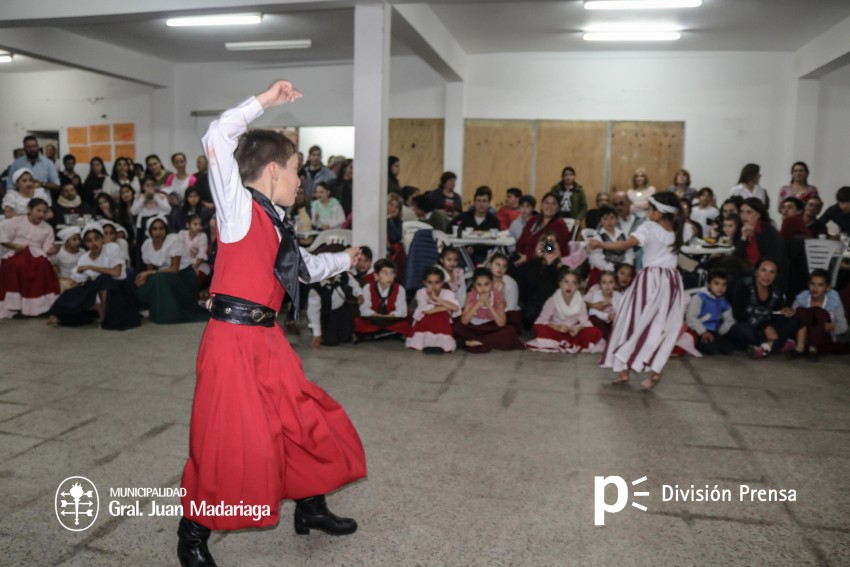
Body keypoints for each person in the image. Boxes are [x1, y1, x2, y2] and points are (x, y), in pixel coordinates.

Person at [177, 82, 367, 567]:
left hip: (267, 339)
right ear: (275, 169)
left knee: (303, 419)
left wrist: (345, 258)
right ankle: (193, 533)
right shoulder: (238, 209)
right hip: (231, 341)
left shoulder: (277, 221)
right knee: (227, 438)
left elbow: (300, 267)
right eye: (298, 171)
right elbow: (218, 136)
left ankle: (310, 505)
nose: (301, 180)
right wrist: (265, 101)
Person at [588, 191, 687, 389]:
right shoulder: (676, 229)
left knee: (630, 321)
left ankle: (624, 368)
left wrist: (601, 243)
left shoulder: (649, 227)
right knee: (662, 326)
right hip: (672, 282)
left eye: (651, 209)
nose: (648, 212)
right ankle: (654, 369)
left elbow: (627, 244)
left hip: (650, 281)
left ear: (660, 213)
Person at [47, 223, 139, 330]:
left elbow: (116, 272)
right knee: (75, 291)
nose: (94, 243)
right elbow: (80, 280)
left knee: (103, 279)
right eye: (89, 240)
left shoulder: (112, 249)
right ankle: (61, 313)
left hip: (118, 290)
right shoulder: (84, 258)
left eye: (96, 238)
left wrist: (90, 267)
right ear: (85, 243)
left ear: (102, 239)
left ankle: (105, 317)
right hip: (97, 291)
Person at [134, 215, 208, 324]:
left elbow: (174, 269)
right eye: (154, 229)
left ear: (166, 229)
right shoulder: (147, 245)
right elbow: (148, 270)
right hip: (165, 277)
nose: (158, 232)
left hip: (185, 278)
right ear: (149, 231)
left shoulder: (173, 240)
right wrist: (145, 278)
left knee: (158, 278)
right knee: (148, 282)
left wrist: (149, 273)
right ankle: (155, 311)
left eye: (161, 228)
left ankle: (166, 315)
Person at [727, 257, 798, 359]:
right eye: (763, 270)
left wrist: (785, 311)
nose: (767, 276)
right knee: (745, 331)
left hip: (765, 330)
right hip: (747, 326)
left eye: (772, 272)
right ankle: (776, 343)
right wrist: (764, 327)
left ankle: (766, 346)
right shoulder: (744, 285)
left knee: (794, 318)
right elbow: (739, 315)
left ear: (776, 275)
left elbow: (775, 314)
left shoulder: (776, 291)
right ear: (756, 272)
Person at [0, 198, 60, 318]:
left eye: (44, 211)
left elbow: (47, 247)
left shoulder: (47, 228)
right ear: (30, 210)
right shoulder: (16, 221)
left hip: (36, 252)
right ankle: (14, 306)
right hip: (16, 250)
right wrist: (14, 245)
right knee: (16, 264)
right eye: (38, 210)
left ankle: (37, 307)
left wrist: (52, 251)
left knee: (42, 264)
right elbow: (4, 239)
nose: (41, 214)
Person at [527, 268, 604, 353]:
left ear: (578, 286)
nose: (569, 286)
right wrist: (557, 327)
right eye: (566, 282)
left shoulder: (581, 302)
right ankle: (570, 344)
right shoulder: (552, 300)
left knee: (596, 331)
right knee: (539, 328)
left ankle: (565, 343)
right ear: (560, 284)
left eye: (573, 283)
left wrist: (577, 329)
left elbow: (585, 322)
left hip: (573, 333)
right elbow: (541, 321)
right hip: (556, 332)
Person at [452, 267, 523, 353]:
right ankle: (486, 341)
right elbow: (464, 321)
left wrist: (489, 306)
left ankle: (473, 342)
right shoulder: (471, 296)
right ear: (474, 285)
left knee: (509, 331)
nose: (483, 288)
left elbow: (501, 323)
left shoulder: (498, 296)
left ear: (492, 283)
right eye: (479, 285)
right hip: (474, 327)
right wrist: (477, 305)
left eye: (486, 284)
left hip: (491, 327)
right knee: (455, 327)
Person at [307, 247, 361, 348]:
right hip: (326, 314)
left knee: (346, 337)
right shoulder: (316, 288)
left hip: (342, 309)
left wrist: (359, 294)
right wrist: (317, 334)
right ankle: (323, 333)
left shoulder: (343, 275)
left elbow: (353, 283)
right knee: (331, 341)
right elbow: (313, 312)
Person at [790, 269, 850, 359]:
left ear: (828, 287)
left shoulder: (833, 301)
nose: (815, 288)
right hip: (803, 336)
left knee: (819, 311)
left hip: (823, 337)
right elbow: (792, 321)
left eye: (820, 285)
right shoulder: (802, 299)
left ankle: (813, 349)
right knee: (801, 310)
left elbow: (844, 326)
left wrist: (832, 327)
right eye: (812, 284)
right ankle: (800, 347)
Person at [735, 197, 787, 290]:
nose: (744, 216)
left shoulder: (768, 231)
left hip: (766, 274)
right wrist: (743, 238)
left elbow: (775, 259)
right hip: (748, 273)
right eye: (742, 212)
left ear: (758, 214)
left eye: (749, 212)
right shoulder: (741, 230)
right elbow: (737, 259)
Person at [406, 266, 461, 354]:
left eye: (437, 282)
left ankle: (441, 344)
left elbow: (455, 307)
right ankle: (426, 342)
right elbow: (426, 310)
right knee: (434, 314)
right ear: (424, 282)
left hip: (442, 324)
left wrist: (437, 298)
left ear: (442, 283)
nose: (433, 286)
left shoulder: (447, 293)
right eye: (430, 282)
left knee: (442, 315)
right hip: (425, 323)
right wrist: (445, 307)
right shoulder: (421, 292)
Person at [354, 258, 411, 339]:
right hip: (373, 320)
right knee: (358, 322)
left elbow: (402, 310)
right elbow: (364, 308)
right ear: (376, 276)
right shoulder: (368, 288)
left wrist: (391, 316)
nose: (389, 277)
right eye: (385, 273)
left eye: (392, 273)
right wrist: (375, 315)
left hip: (392, 320)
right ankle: (390, 334)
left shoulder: (399, 289)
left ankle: (374, 335)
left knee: (405, 325)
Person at [516, 233, 563, 330]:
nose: (549, 246)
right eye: (545, 242)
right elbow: (532, 290)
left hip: (554, 309)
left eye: (553, 242)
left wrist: (552, 264)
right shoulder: (529, 266)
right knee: (531, 311)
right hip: (533, 308)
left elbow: (551, 292)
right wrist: (536, 259)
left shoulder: (563, 269)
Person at [685, 269, 735, 355]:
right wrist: (702, 331)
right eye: (716, 283)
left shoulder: (724, 302)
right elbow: (690, 318)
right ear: (708, 284)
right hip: (697, 330)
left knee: (728, 349)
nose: (720, 288)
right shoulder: (699, 297)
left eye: (724, 285)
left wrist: (720, 332)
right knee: (712, 349)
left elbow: (730, 320)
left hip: (713, 331)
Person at [514, 192, 571, 266]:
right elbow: (521, 241)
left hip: (544, 263)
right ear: (541, 205)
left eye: (554, 204)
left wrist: (528, 257)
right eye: (546, 203)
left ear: (558, 208)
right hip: (523, 258)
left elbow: (550, 250)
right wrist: (519, 256)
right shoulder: (533, 220)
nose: (549, 206)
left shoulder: (560, 226)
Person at [587, 205, 634, 288]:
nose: (609, 221)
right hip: (605, 271)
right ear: (600, 222)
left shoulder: (624, 235)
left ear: (616, 220)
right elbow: (596, 258)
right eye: (605, 219)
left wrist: (625, 265)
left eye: (612, 218)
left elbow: (629, 252)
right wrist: (611, 269)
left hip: (622, 269)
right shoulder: (597, 238)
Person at [453, 185, 501, 264]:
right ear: (474, 202)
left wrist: (475, 248)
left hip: (483, 256)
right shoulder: (463, 217)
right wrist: (466, 247)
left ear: (489, 203)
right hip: (462, 252)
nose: (481, 204)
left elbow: (496, 242)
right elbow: (450, 229)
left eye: (484, 201)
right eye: (478, 201)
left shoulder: (494, 221)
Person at [584, 270, 622, 341]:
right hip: (601, 321)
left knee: (621, 322)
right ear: (600, 285)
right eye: (604, 282)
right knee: (593, 319)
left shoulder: (618, 295)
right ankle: (609, 338)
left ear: (615, 284)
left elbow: (622, 309)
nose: (607, 285)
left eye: (610, 282)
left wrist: (615, 316)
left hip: (613, 322)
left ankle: (615, 337)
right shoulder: (597, 294)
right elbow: (592, 311)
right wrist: (607, 316)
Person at [488, 253, 521, 331]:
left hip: (506, 314)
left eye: (504, 266)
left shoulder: (511, 283)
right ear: (490, 265)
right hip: (488, 312)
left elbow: (511, 307)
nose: (500, 268)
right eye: (497, 264)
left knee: (513, 318)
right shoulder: (484, 278)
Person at [52, 226, 84, 292]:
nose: (78, 242)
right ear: (66, 242)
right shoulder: (59, 253)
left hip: (79, 282)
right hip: (63, 281)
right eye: (74, 239)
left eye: (79, 239)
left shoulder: (83, 252)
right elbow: (53, 265)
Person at [437, 246, 466, 311]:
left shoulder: (459, 272)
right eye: (449, 260)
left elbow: (462, 290)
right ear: (442, 260)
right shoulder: (440, 273)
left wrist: (462, 305)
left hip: (457, 303)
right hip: (443, 303)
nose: (452, 263)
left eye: (455, 260)